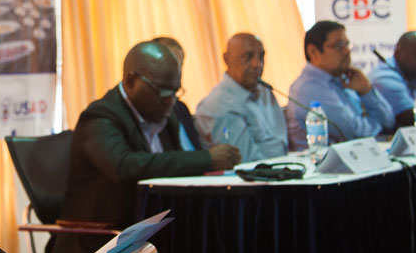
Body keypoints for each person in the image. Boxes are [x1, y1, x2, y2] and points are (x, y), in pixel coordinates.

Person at [43, 41, 242, 253]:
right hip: (100, 246)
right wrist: (206, 159)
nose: (170, 100)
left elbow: (174, 173)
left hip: (148, 237)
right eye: (162, 91)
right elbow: (125, 167)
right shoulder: (99, 117)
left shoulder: (165, 115)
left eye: (175, 91)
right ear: (130, 81)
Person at [285, 20, 394, 150]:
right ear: (313, 52)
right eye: (338, 46)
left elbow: (389, 122)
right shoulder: (309, 88)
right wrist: (381, 131)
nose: (346, 51)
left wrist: (366, 90)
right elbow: (354, 133)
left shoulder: (343, 80)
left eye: (347, 44)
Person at [194, 33, 288, 162]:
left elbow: (282, 145)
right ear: (227, 59)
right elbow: (246, 161)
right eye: (247, 57)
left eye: (261, 57)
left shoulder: (265, 92)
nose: (257, 64)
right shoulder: (218, 104)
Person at [152, 36, 202, 150]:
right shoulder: (148, 115)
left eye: (180, 66)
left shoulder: (181, 109)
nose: (177, 72)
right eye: (171, 65)